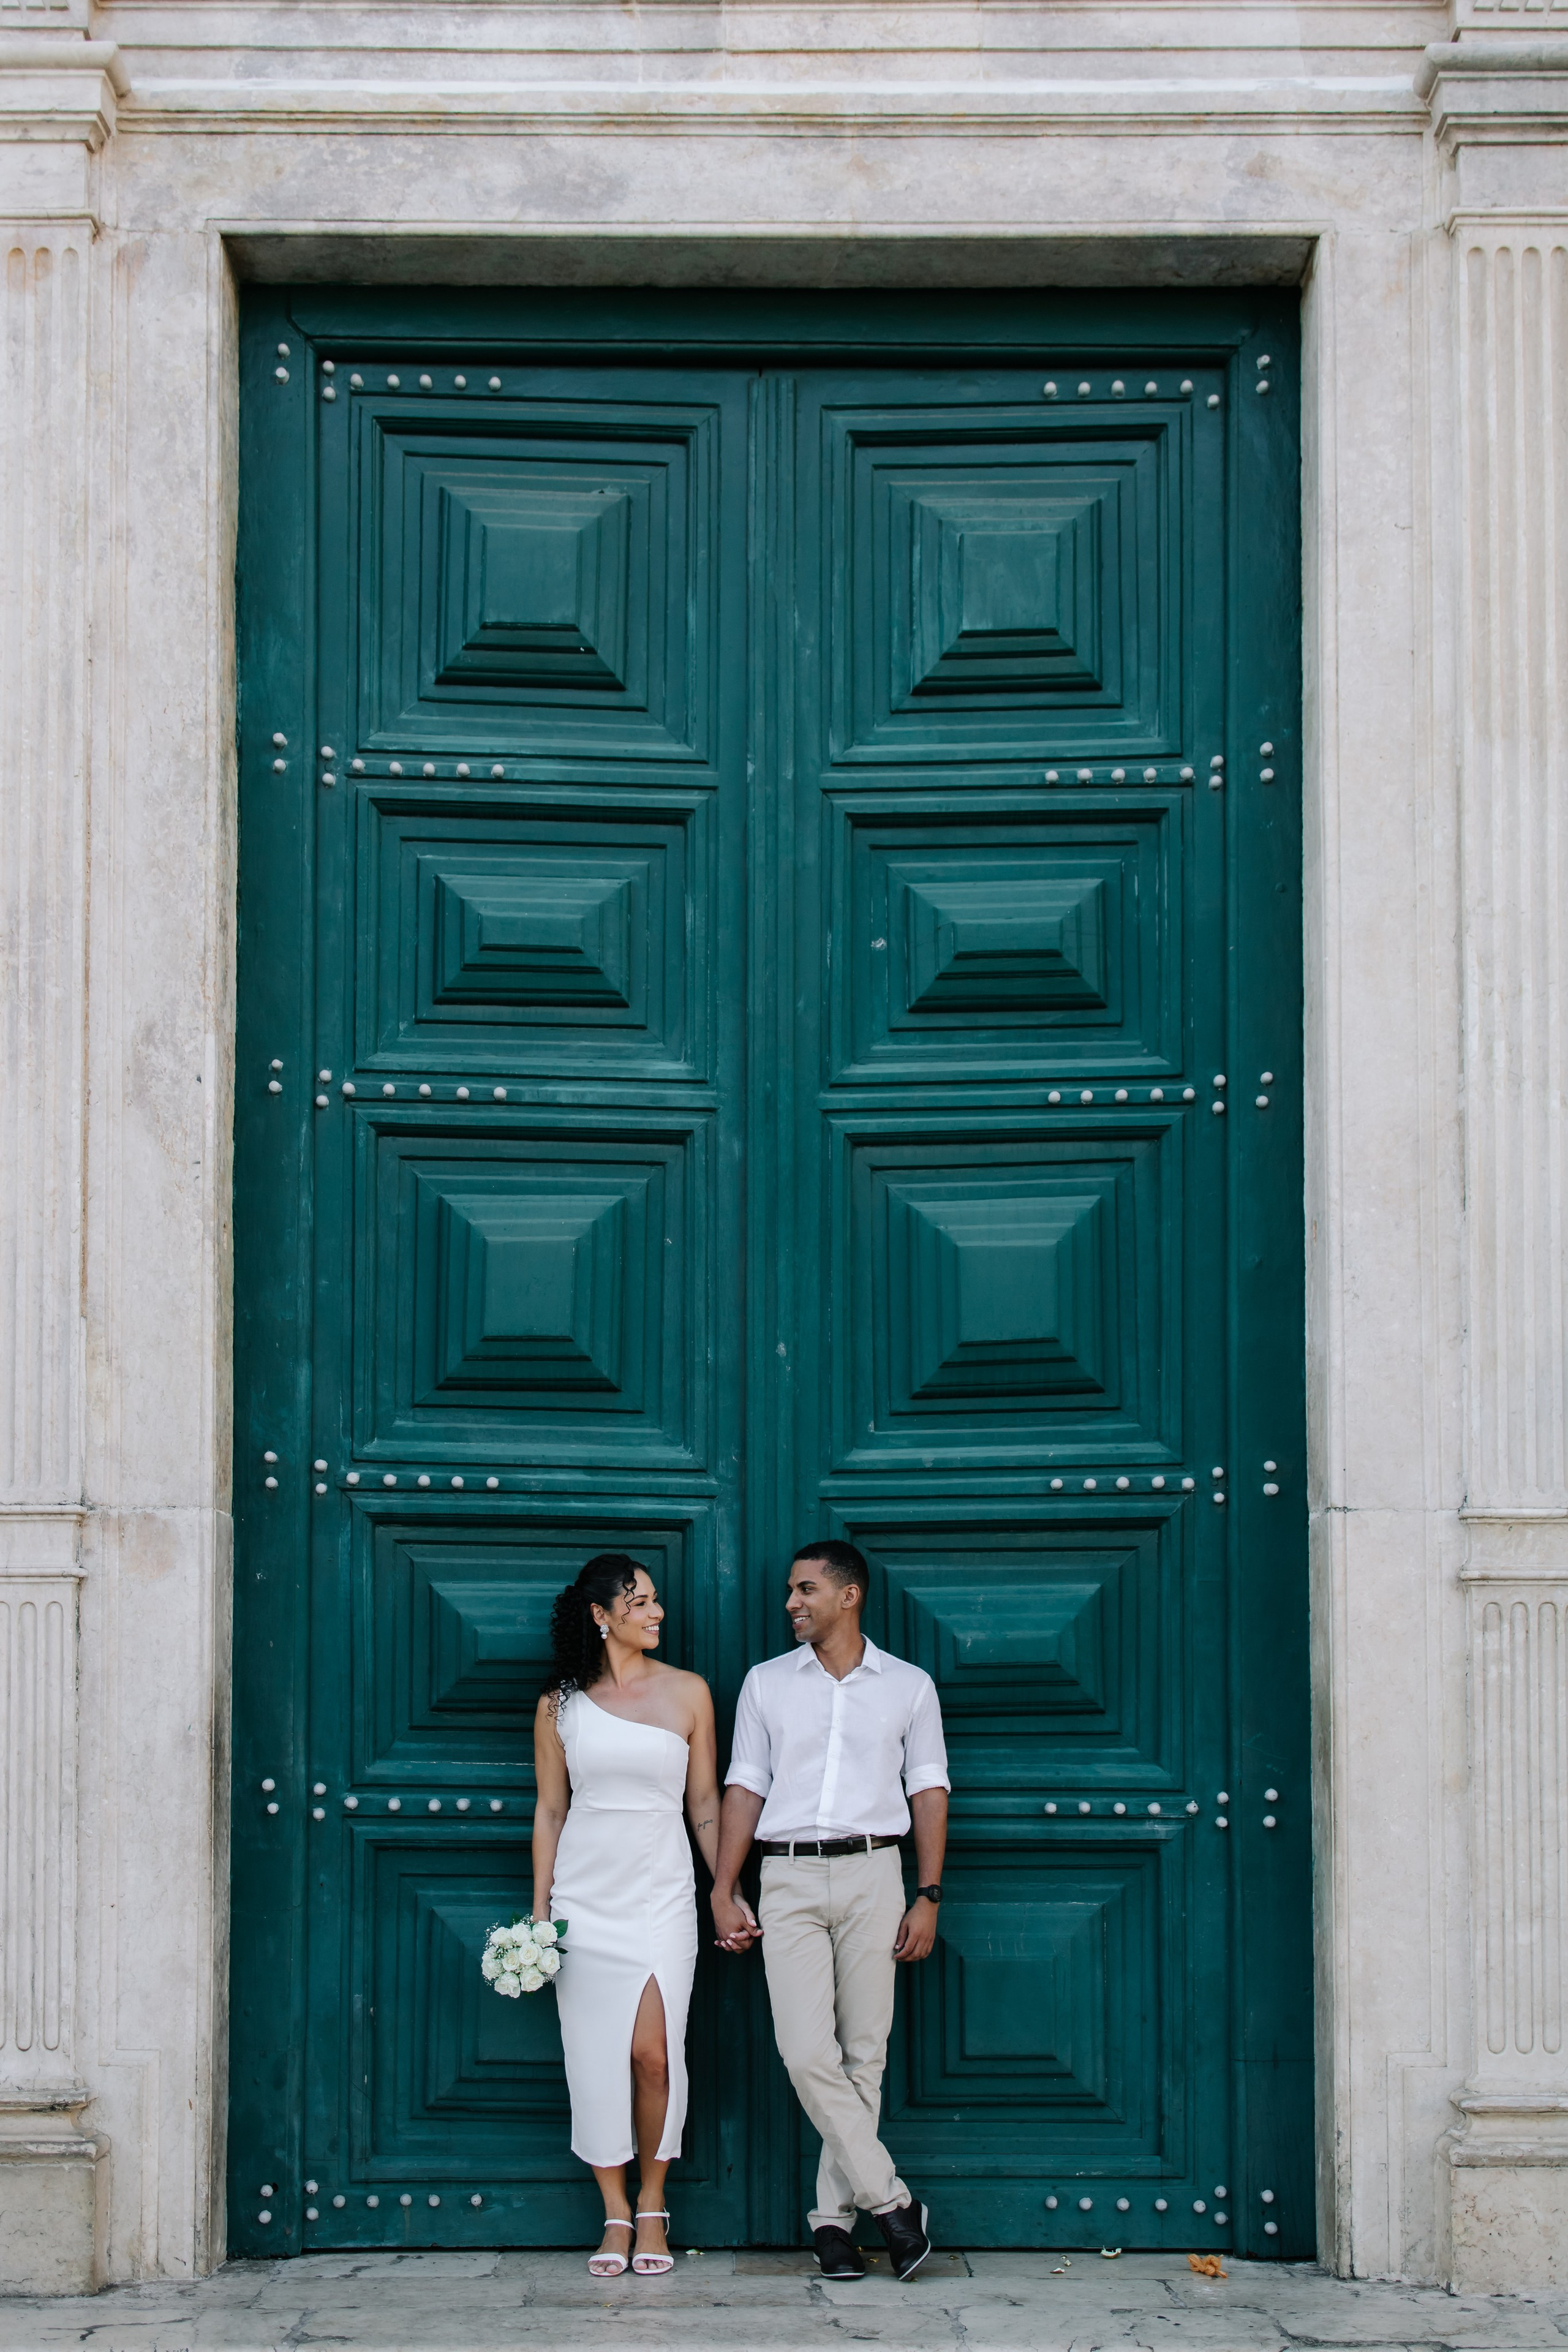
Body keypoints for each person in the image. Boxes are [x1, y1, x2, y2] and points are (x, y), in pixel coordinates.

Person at [710, 1539, 949, 2282]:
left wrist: (928, 1894)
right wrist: (723, 1888)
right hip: (785, 1878)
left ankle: (832, 2226)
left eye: (805, 1589)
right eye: (790, 1590)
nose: (791, 1603)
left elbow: (929, 1789)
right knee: (807, 2053)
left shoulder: (908, 1686)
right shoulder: (766, 1683)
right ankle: (894, 2205)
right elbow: (745, 1787)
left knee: (864, 2055)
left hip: (877, 1871)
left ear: (849, 1596)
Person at [530, 1553, 722, 2279]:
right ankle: (613, 2211)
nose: (656, 1613)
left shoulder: (691, 1694)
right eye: (639, 1602)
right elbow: (550, 1809)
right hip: (584, 1898)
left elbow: (703, 1805)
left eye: (655, 1601)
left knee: (653, 2054)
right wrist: (542, 1912)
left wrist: (722, 1887)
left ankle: (653, 2202)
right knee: (593, 2062)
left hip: (662, 1892)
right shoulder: (558, 1706)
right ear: (600, 1615)